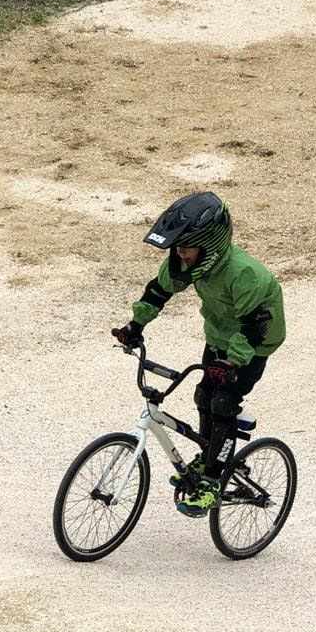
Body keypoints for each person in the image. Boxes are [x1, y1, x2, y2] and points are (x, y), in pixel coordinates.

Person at [111, 192, 285, 515]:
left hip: (254, 343)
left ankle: (213, 479)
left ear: (209, 245)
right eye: (177, 247)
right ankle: (209, 456)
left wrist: (232, 363)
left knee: (223, 401)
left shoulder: (244, 274)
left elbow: (255, 326)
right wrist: (135, 325)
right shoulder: (190, 263)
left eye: (186, 247)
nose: (180, 253)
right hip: (220, 337)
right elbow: (158, 291)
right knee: (203, 394)